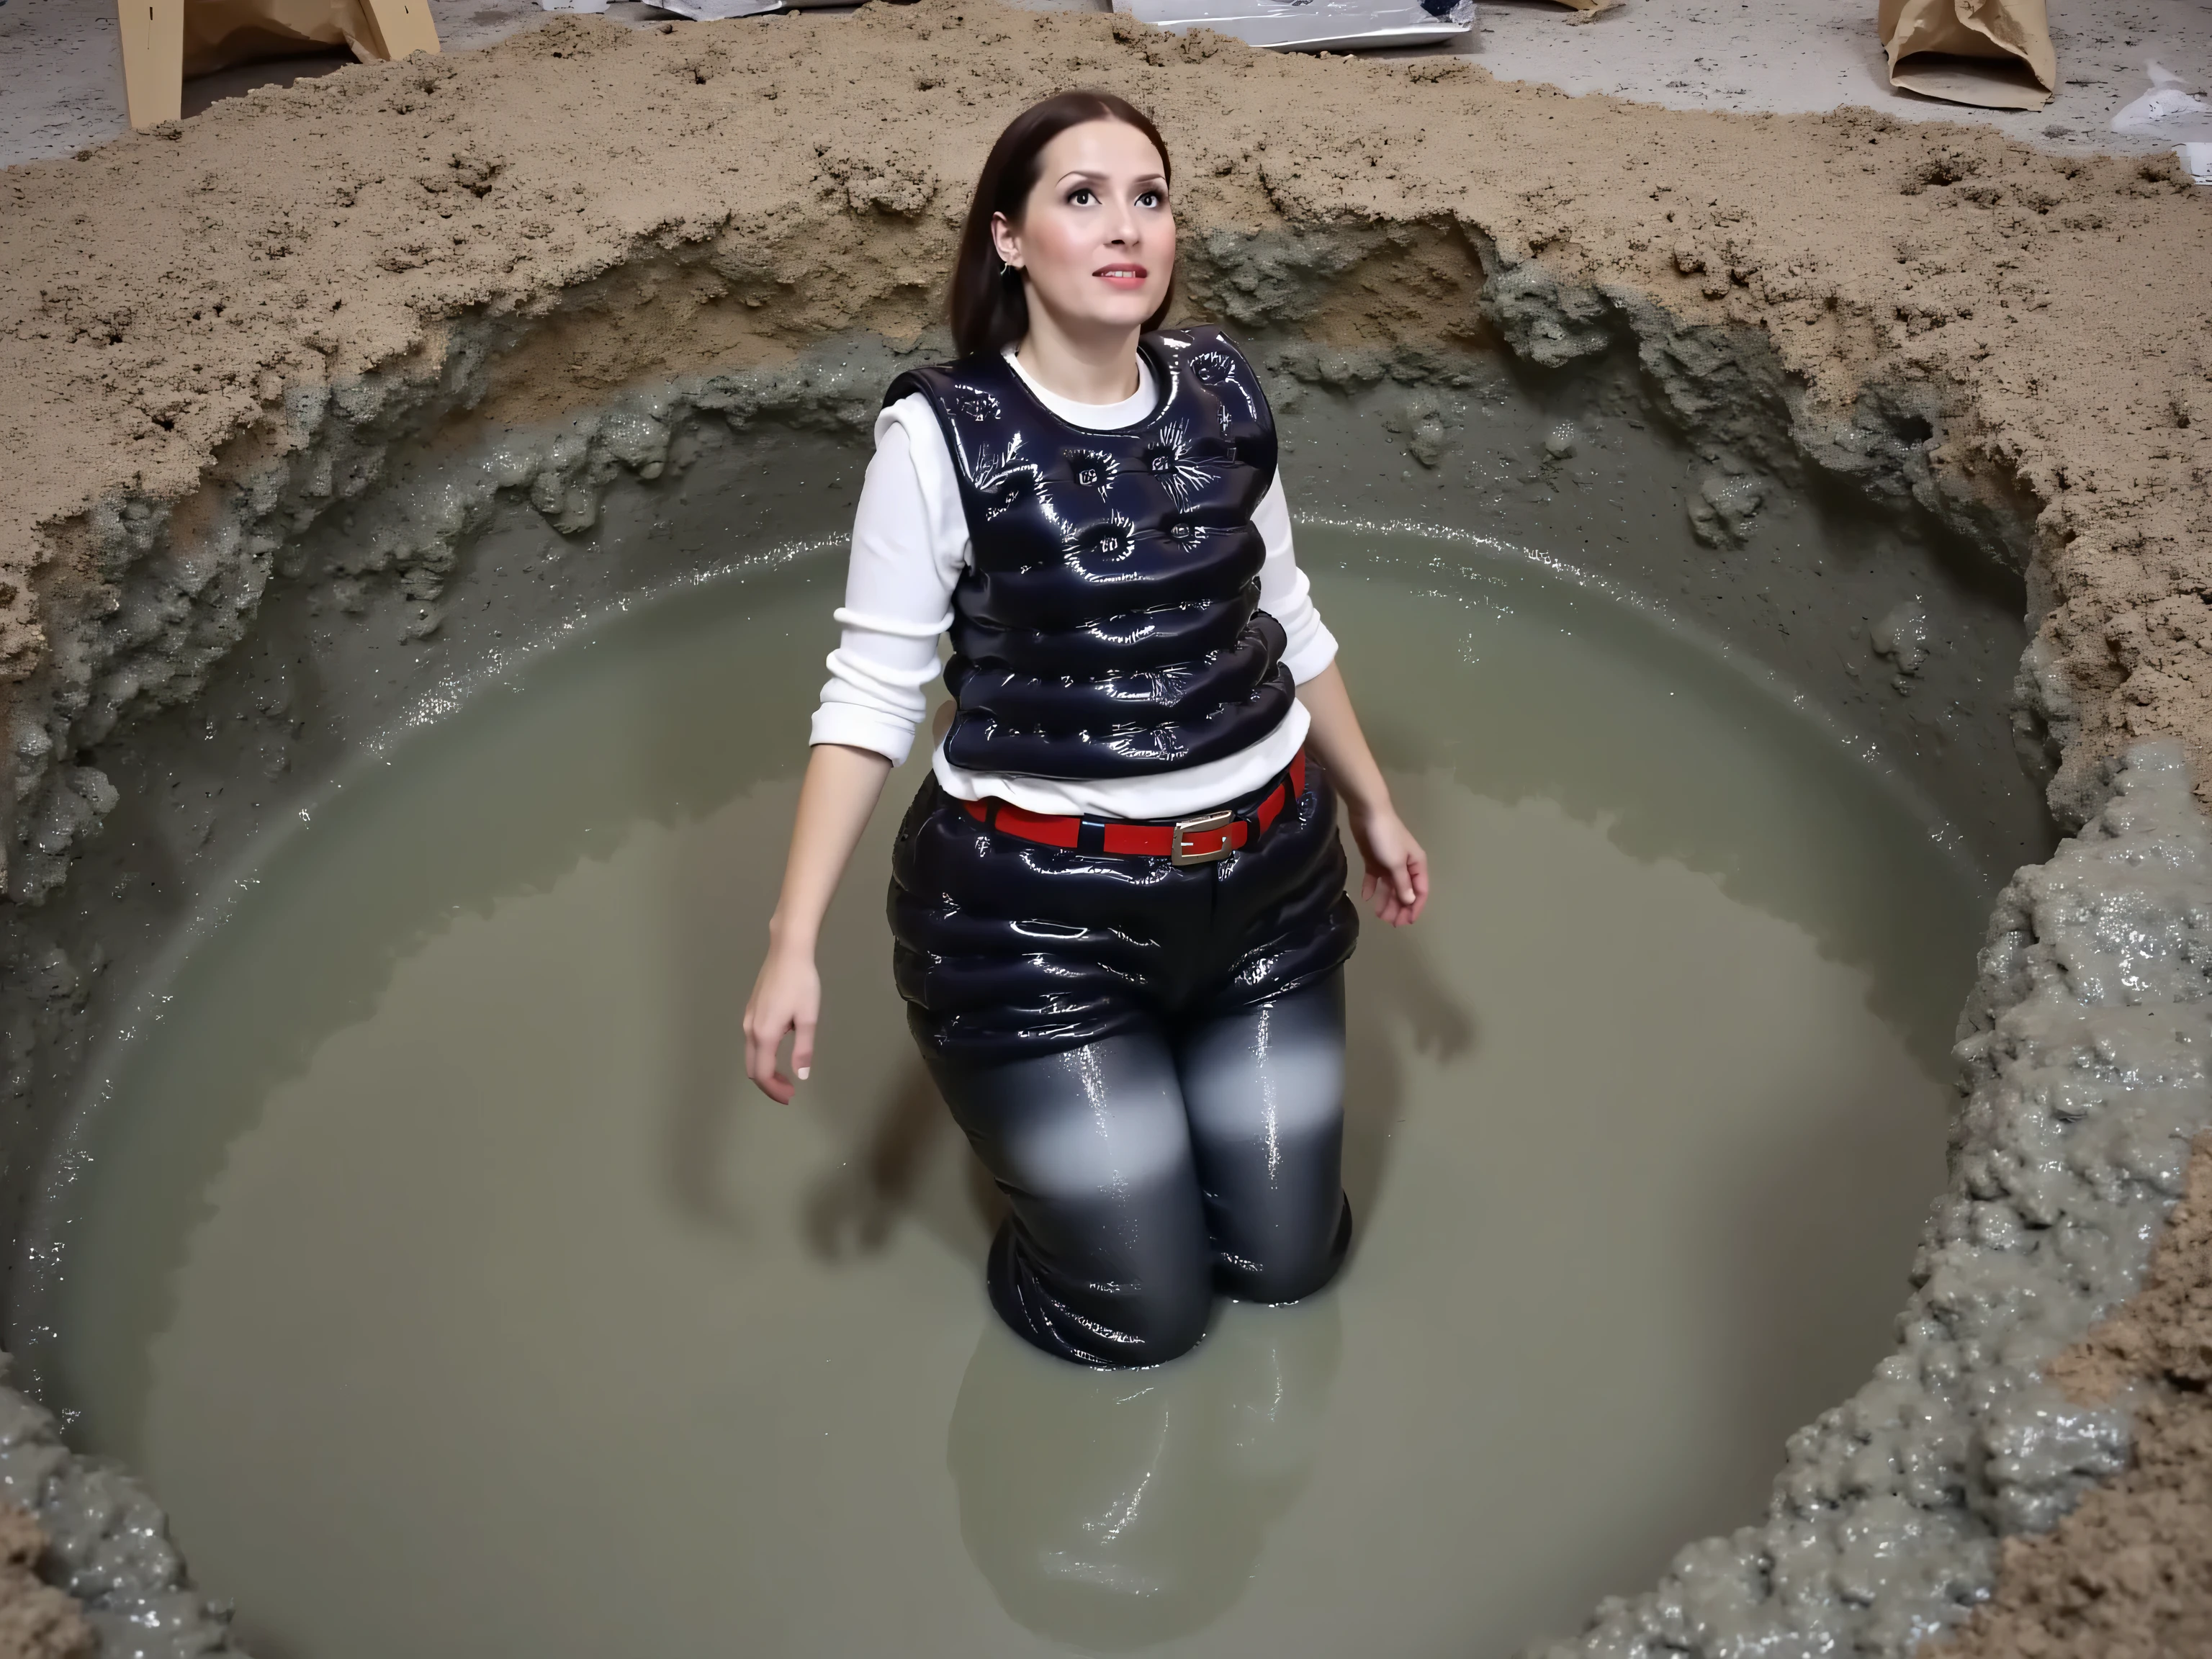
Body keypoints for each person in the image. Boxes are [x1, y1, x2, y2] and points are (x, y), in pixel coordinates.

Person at [742, 89, 1428, 1370]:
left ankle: (1156, 1100)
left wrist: (1376, 804)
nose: (1127, 228)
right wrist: (793, 945)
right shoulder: (935, 438)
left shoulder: (1223, 394)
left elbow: (1286, 612)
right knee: (1143, 1319)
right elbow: (871, 695)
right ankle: (1095, 1131)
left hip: (1269, 892)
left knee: (1290, 1264)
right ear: (1009, 237)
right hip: (1033, 930)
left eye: (1150, 198)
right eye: (1083, 196)